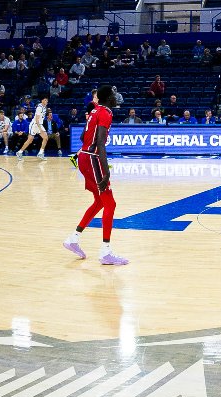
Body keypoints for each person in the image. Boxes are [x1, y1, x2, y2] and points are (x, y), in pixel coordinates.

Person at [63, 86, 128, 265]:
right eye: (114, 95)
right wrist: (106, 171)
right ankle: (105, 252)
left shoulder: (94, 111)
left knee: (100, 202)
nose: (116, 98)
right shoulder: (105, 112)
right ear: (107, 97)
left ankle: (73, 238)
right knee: (110, 203)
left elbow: (84, 136)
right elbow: (100, 143)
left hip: (83, 157)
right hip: (92, 158)